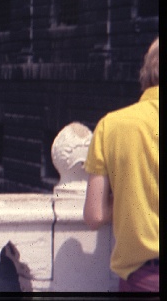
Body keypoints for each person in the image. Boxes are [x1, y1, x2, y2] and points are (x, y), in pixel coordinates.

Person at [83, 37, 159, 293]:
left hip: (144, 280)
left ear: (148, 73)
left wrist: (130, 191)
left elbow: (94, 215)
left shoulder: (112, 125)